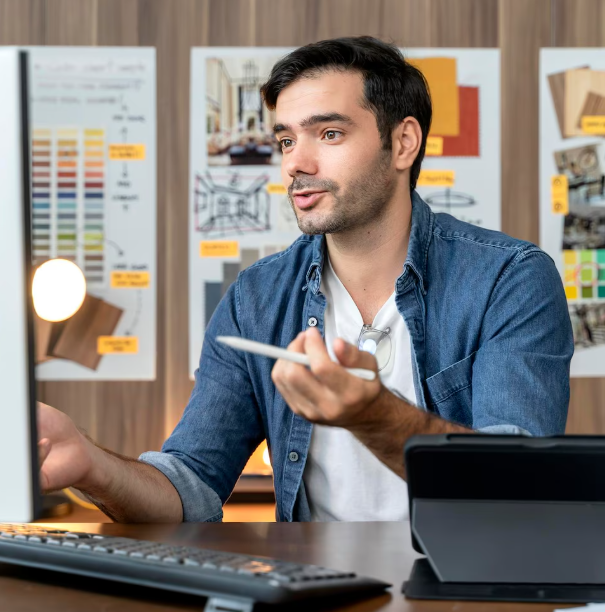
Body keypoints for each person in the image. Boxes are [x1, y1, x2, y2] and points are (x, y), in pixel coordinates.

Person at [37, 36, 573, 523]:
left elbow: (518, 486)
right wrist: (91, 465)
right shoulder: (257, 298)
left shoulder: (510, 279)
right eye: (287, 140)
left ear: (403, 142)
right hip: (321, 590)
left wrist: (374, 414)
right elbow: (191, 488)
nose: (297, 162)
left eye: (330, 133)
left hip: (465, 589)